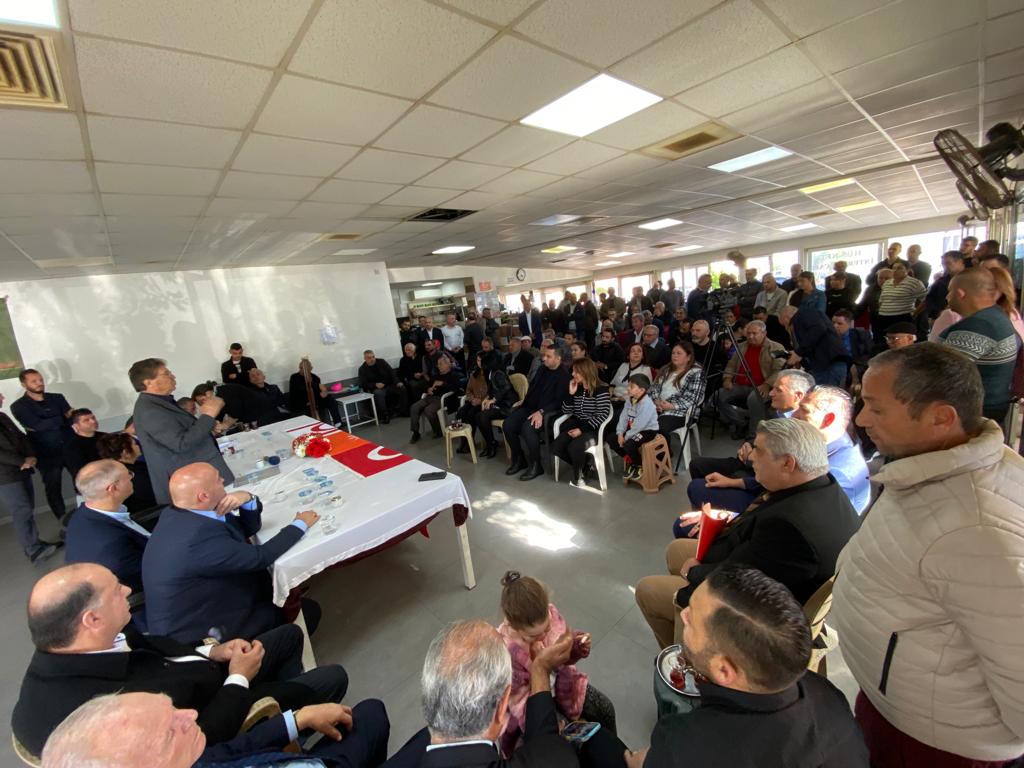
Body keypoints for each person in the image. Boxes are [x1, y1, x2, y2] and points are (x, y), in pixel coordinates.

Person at [832, 342, 1024, 768]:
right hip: (901, 702)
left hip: (935, 741)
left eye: (876, 409)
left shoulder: (978, 531)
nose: (861, 420)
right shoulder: (930, 464)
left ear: (940, 418)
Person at [15, 563, 351, 759]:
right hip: (224, 708)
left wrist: (214, 651)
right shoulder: (103, 714)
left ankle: (286, 697)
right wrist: (239, 678)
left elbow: (160, 650)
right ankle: (290, 732)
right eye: (116, 590)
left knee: (289, 635)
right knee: (332, 678)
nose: (127, 589)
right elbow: (198, 742)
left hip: (210, 671)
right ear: (92, 619)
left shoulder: (82, 641)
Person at [636, 418, 859, 648]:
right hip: (761, 573)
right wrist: (721, 519)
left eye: (759, 451)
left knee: (648, 590)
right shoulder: (822, 485)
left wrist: (693, 572)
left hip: (757, 616)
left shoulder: (790, 527)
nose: (751, 456)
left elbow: (735, 579)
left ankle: (684, 656)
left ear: (787, 463)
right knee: (676, 549)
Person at [628, 565, 868, 768]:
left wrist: (645, 763)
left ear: (724, 671)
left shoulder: (684, 746)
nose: (684, 615)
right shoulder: (829, 696)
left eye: (691, 621)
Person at [142, 462, 320, 642]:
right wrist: (300, 525)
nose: (223, 480)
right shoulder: (196, 539)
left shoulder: (183, 512)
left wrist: (248, 498)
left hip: (213, 596)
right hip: (205, 627)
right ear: (204, 496)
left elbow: (245, 530)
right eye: (218, 480)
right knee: (309, 612)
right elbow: (260, 557)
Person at [382, 620, 577, 768]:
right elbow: (549, 754)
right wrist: (540, 669)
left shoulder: (421, 750)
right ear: (501, 708)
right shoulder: (560, 760)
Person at [41, 691, 390, 768]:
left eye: (173, 708)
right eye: (171, 731)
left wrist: (297, 719)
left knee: (369, 713)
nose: (191, 715)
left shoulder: (186, 758)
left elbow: (228, 752)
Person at [495, 571, 613, 758]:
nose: (544, 636)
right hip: (531, 707)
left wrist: (576, 646)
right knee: (568, 748)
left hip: (565, 685)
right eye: (534, 636)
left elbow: (565, 652)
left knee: (605, 708)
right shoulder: (507, 652)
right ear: (513, 626)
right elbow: (519, 703)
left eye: (547, 628)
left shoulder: (550, 613)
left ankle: (616, 752)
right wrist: (550, 723)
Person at [128, 359, 230, 506]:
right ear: (148, 382)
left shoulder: (160, 402)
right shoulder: (149, 410)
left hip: (197, 474)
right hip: (191, 483)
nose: (173, 376)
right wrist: (208, 416)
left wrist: (208, 424)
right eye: (166, 373)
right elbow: (180, 443)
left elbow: (178, 429)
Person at [938, 268, 1019, 424]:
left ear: (960, 293)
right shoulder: (996, 315)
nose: (947, 297)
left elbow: (942, 371)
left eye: (950, 291)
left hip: (971, 413)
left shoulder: (977, 325)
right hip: (990, 406)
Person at [64, 460, 150, 593]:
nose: (132, 477)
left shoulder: (82, 514)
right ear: (113, 488)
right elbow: (155, 571)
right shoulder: (112, 546)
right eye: (128, 474)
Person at [0, 392, 59, 563]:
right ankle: (32, 549)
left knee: (28, 508)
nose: (3, 398)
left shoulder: (3, 416)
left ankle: (35, 542)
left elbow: (21, 437)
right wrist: (21, 461)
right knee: (22, 510)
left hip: (23, 469)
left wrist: (31, 455)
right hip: (6, 475)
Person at [10, 368, 73, 524]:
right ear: (24, 384)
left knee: (85, 479)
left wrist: (53, 421)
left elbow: (72, 418)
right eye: (34, 381)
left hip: (69, 446)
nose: (39, 383)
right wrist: (62, 418)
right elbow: (37, 425)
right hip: (46, 453)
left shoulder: (57, 397)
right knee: (53, 488)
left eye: (40, 380)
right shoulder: (19, 406)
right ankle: (64, 522)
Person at [503, 346, 571, 481]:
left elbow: (560, 401)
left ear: (558, 358)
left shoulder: (564, 376)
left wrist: (542, 412)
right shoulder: (542, 369)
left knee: (528, 428)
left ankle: (536, 465)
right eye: (544, 355)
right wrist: (522, 402)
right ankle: (519, 459)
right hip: (530, 407)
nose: (544, 358)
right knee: (508, 424)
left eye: (548, 356)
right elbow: (532, 389)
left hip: (549, 413)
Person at [714, 321, 786, 440]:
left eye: (754, 333)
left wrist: (767, 384)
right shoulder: (741, 346)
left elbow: (780, 370)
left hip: (762, 386)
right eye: (748, 333)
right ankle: (741, 423)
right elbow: (731, 365)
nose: (751, 336)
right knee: (718, 396)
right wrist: (727, 378)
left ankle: (753, 436)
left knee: (754, 400)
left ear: (764, 333)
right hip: (740, 384)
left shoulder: (776, 347)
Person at [551, 359, 611, 488]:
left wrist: (582, 430)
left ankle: (579, 477)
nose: (573, 374)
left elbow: (602, 415)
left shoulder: (601, 389)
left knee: (574, 447)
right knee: (556, 446)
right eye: (573, 371)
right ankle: (586, 466)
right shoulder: (577, 388)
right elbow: (566, 410)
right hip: (577, 425)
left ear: (585, 371)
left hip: (594, 429)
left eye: (576, 371)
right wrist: (570, 394)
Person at [650, 342, 706, 445]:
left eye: (679, 353)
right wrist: (656, 400)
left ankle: (662, 453)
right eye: (673, 353)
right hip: (659, 406)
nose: (674, 356)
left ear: (688, 357)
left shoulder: (696, 372)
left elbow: (694, 397)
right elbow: (655, 387)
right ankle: (647, 451)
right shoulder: (666, 369)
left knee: (657, 428)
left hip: (682, 412)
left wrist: (672, 406)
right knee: (640, 420)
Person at [780, 305, 849, 386]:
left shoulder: (804, 313)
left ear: (786, 318)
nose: (786, 328)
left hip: (828, 366)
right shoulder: (809, 318)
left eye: (784, 325)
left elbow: (818, 329)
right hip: (824, 366)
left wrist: (799, 353)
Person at [96, 431, 158, 517]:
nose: (138, 446)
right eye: (135, 444)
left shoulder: (135, 465)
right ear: (126, 452)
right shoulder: (131, 474)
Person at [611, 373, 660, 479]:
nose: (628, 388)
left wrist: (625, 437)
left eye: (631, 387)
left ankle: (638, 464)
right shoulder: (630, 400)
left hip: (648, 431)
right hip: (633, 428)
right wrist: (620, 433)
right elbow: (623, 417)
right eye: (628, 385)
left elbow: (639, 425)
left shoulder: (647, 404)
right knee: (611, 438)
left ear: (642, 390)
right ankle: (630, 459)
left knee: (629, 444)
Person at [409, 354, 461, 443]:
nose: (438, 366)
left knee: (428, 410)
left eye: (441, 364)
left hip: (442, 399)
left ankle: (438, 430)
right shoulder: (435, 376)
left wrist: (443, 384)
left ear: (447, 364)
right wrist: (428, 389)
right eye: (438, 364)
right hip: (430, 397)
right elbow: (427, 385)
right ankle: (415, 432)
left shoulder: (454, 375)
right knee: (414, 407)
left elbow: (456, 389)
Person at [476, 359, 520, 460]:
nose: (478, 363)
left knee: (483, 416)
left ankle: (492, 445)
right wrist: (487, 399)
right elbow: (492, 390)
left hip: (508, 405)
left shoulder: (498, 373)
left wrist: (493, 400)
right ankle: (490, 443)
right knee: (478, 416)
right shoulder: (489, 373)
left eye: (480, 360)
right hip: (500, 403)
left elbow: (506, 387)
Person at [876, 263, 926, 342]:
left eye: (899, 268)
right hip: (883, 317)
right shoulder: (887, 283)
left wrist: (915, 313)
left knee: (899, 342)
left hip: (902, 317)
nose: (895, 270)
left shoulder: (914, 283)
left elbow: (925, 300)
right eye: (894, 268)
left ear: (907, 270)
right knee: (882, 341)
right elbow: (882, 299)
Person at [287, 357, 342, 425]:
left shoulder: (315, 377)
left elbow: (320, 390)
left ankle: (338, 422)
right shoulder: (294, 377)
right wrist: (314, 384)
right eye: (301, 368)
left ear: (311, 368)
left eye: (305, 368)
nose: (302, 370)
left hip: (314, 401)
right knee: (309, 406)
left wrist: (324, 392)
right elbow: (302, 389)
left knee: (330, 399)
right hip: (301, 403)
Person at [358, 349, 401, 425]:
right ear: (365, 359)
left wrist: (397, 382)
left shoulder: (381, 362)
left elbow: (391, 372)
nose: (372, 359)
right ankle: (385, 415)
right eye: (369, 358)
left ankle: (403, 410)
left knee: (402, 388)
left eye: (373, 357)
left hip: (388, 384)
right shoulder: (362, 369)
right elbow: (363, 383)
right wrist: (375, 385)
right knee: (378, 393)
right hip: (377, 388)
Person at [833, 309, 873, 383]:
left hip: (857, 366)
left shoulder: (861, 335)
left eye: (839, 323)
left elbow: (869, 354)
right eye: (833, 323)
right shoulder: (828, 337)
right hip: (837, 368)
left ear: (849, 324)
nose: (835, 326)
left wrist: (856, 368)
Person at [690, 319, 727, 399]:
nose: (694, 333)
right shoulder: (688, 345)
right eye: (692, 330)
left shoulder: (716, 349)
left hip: (705, 383)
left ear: (707, 332)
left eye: (698, 330)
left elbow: (718, 373)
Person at [924, 250, 965, 322]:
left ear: (960, 262)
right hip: (939, 318)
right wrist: (937, 313)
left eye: (948, 263)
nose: (945, 267)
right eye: (943, 264)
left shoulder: (970, 278)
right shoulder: (941, 281)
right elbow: (929, 299)